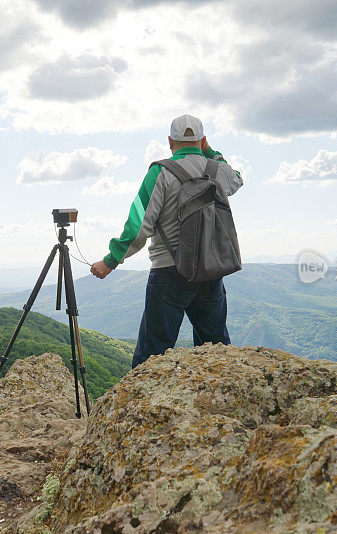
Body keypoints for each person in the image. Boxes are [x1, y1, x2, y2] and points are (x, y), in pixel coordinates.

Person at [90, 114, 244, 368]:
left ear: (170, 141)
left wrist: (110, 261)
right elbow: (237, 179)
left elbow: (139, 225)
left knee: (152, 354)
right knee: (216, 351)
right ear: (202, 140)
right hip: (210, 269)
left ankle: (141, 405)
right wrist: (211, 151)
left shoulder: (160, 172)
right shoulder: (218, 170)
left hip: (168, 271)